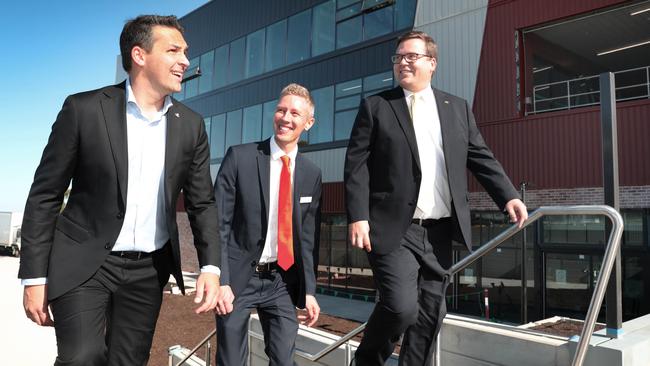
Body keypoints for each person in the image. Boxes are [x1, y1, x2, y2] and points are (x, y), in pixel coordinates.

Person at [19, 15, 221, 366]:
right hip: (84, 263)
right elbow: (45, 195)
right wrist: (34, 276)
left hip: (148, 271)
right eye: (173, 50)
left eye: (185, 51)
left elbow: (202, 202)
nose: (185, 61)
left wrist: (212, 268)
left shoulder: (190, 125)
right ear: (139, 55)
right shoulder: (83, 110)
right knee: (83, 357)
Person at [344, 31, 528, 365]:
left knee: (430, 316)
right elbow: (356, 166)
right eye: (398, 57)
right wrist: (358, 215)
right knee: (400, 307)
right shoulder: (376, 106)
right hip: (394, 228)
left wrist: (508, 196)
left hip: (440, 232)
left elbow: (480, 156)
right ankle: (366, 361)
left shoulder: (456, 108)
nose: (403, 62)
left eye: (411, 56)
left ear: (432, 63)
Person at [214, 83, 322, 366]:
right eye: (281, 110)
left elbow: (307, 239)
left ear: (308, 123)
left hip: (282, 281)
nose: (286, 118)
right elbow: (219, 225)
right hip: (237, 279)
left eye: (295, 113)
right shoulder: (240, 157)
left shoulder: (311, 173)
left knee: (285, 361)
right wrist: (222, 280)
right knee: (231, 361)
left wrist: (309, 290)